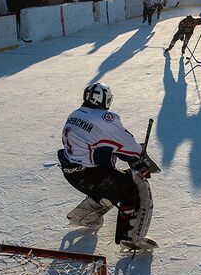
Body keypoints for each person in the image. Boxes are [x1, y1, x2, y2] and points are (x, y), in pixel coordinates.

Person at [58, 83, 157, 250]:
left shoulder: (75, 114)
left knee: (113, 183)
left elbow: (101, 145)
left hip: (72, 174)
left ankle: (84, 215)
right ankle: (131, 237)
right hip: (91, 176)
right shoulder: (104, 118)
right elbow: (128, 146)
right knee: (132, 187)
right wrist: (139, 161)